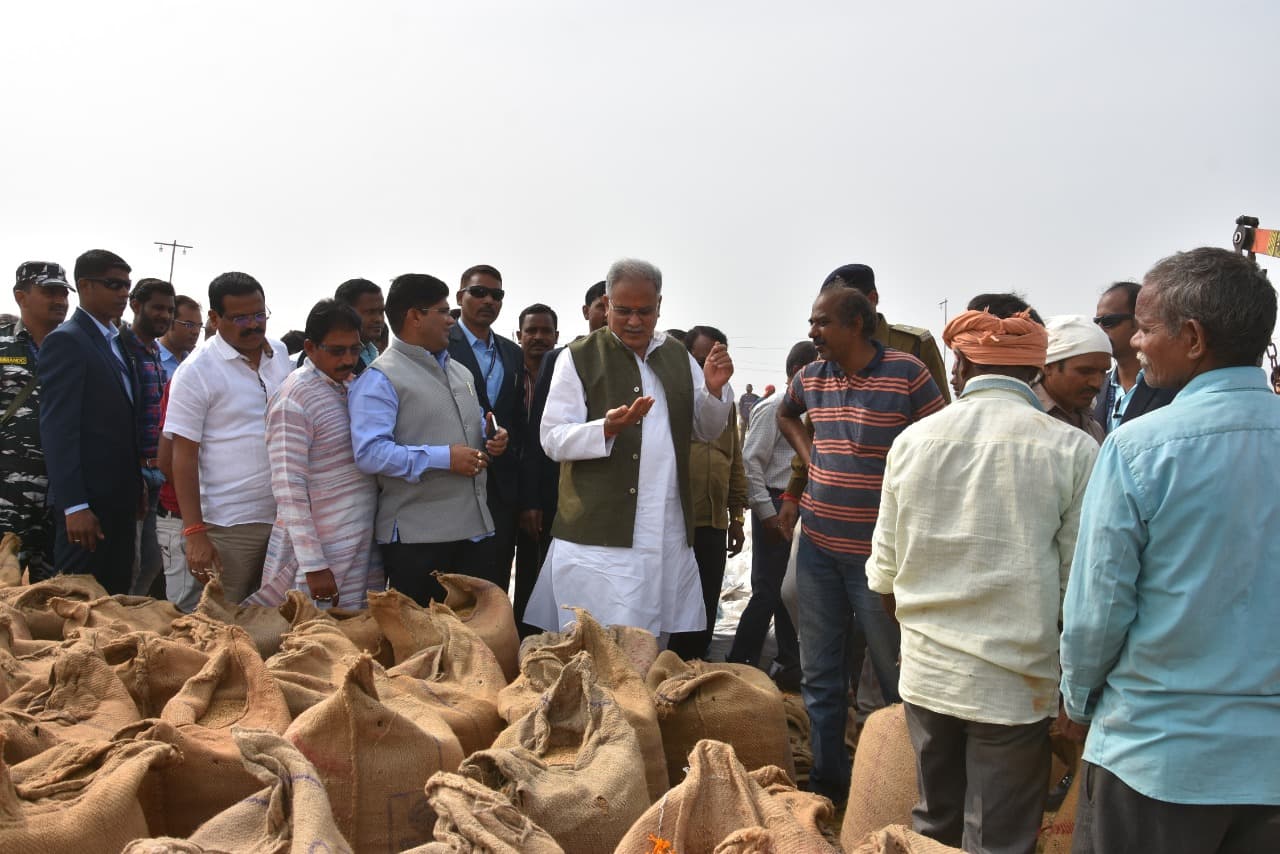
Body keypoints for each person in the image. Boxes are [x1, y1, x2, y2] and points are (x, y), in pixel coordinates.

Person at [1061, 248, 1280, 854]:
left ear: (1193, 338)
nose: (1134, 344)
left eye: (1145, 328)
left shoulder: (1140, 448)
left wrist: (1077, 701)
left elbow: (1098, 610)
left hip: (1156, 757)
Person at [868, 308, 1098, 854]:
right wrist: (1075, 685)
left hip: (928, 675)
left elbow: (884, 575)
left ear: (962, 366)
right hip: (1015, 684)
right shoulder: (1073, 449)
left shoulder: (913, 441)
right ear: (1036, 371)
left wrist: (916, 640)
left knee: (935, 822)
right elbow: (1078, 588)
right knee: (998, 837)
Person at [777, 284, 944, 805]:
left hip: (881, 555)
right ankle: (829, 784)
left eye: (822, 322)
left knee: (897, 676)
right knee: (821, 675)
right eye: (812, 321)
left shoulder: (907, 373)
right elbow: (785, 414)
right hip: (819, 548)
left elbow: (940, 438)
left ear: (856, 324)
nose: (812, 332)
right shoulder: (811, 376)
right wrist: (813, 455)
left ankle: (903, 787)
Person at [524, 258, 735, 638]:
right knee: (591, 635)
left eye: (645, 311)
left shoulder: (677, 355)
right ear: (606, 305)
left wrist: (715, 391)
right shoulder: (579, 356)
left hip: (664, 529)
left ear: (659, 306)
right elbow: (552, 437)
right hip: (598, 535)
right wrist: (604, 429)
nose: (635, 321)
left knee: (648, 640)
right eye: (623, 311)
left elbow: (705, 429)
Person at [349, 273, 510, 605]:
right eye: (444, 311)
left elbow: (474, 423)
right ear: (415, 316)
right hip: (419, 542)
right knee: (423, 634)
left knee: (472, 634)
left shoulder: (460, 372)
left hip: (474, 533)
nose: (451, 320)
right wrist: (444, 458)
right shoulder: (380, 378)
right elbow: (370, 453)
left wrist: (492, 436)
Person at [164, 272, 291, 602]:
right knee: (222, 618)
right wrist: (195, 532)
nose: (253, 325)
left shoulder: (280, 356)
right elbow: (181, 456)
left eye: (259, 314)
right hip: (228, 525)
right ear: (215, 318)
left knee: (275, 618)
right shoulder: (196, 371)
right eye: (240, 318)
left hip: (283, 517)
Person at [248, 300, 383, 608]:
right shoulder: (293, 399)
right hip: (316, 557)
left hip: (359, 547)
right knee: (308, 632)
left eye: (355, 349)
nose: (348, 359)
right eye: (337, 350)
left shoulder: (352, 387)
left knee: (356, 632)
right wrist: (314, 565)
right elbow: (289, 488)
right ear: (309, 347)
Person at [37, 250, 141, 592]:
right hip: (87, 509)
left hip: (119, 503)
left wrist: (136, 483)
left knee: (116, 602)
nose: (123, 293)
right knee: (77, 603)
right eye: (113, 284)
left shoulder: (116, 340)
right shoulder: (67, 341)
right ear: (84, 286)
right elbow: (58, 431)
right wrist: (75, 506)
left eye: (126, 285)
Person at [516, 282, 607, 632]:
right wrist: (532, 499)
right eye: (603, 306)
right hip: (558, 493)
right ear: (588, 311)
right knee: (542, 575)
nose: (609, 314)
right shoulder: (564, 358)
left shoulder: (642, 362)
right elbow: (540, 436)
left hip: (607, 500)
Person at [726, 340, 817, 689]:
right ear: (797, 372)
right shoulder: (774, 408)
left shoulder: (815, 410)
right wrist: (766, 513)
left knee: (789, 590)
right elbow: (751, 462)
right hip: (777, 503)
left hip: (800, 503)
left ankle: (789, 662)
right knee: (767, 590)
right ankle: (739, 663)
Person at [668, 324, 747, 660]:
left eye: (716, 360)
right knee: (676, 604)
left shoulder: (727, 402)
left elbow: (734, 460)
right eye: (701, 361)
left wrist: (737, 518)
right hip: (678, 520)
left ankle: (695, 670)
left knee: (706, 600)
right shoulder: (675, 399)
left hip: (714, 521)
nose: (708, 369)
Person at [447, 265, 526, 593]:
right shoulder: (439, 344)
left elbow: (517, 417)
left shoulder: (513, 353)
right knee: (450, 587)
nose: (489, 300)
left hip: (500, 488)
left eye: (497, 295)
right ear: (460, 296)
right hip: (452, 482)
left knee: (493, 587)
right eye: (479, 292)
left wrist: (507, 440)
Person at [1, 262, 71, 581]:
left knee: (55, 592)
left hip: (62, 494)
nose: (59, 300)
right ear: (21, 296)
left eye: (63, 293)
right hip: (8, 493)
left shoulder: (75, 346)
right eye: (49, 292)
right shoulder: (3, 344)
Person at [121, 278, 175, 597]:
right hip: (134, 472)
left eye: (169, 310)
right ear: (136, 305)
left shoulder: (153, 351)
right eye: (157, 308)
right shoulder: (121, 348)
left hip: (157, 473)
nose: (164, 315)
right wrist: (134, 473)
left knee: (153, 561)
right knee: (132, 561)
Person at [512, 301, 559, 626]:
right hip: (503, 487)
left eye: (546, 331)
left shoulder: (563, 374)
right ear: (520, 335)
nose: (539, 337)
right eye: (532, 330)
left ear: (556, 335)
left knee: (542, 572)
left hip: (548, 491)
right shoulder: (508, 371)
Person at [1092, 281, 1175, 433]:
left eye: (1108, 321)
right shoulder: (1094, 388)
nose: (1099, 331)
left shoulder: (1171, 385)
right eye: (1096, 323)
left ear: (1139, 321)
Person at [1033, 315, 1110, 444]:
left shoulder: (1093, 427)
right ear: (1048, 367)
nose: (1097, 383)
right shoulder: (1027, 416)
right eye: (1085, 371)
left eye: (1103, 371)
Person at [334, 278, 384, 376]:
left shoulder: (373, 352)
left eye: (381, 312)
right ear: (345, 313)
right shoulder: (327, 358)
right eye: (370, 312)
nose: (378, 319)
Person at [157, 295, 203, 381]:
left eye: (199, 326)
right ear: (170, 323)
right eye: (189, 325)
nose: (196, 332)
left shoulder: (195, 363)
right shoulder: (149, 360)